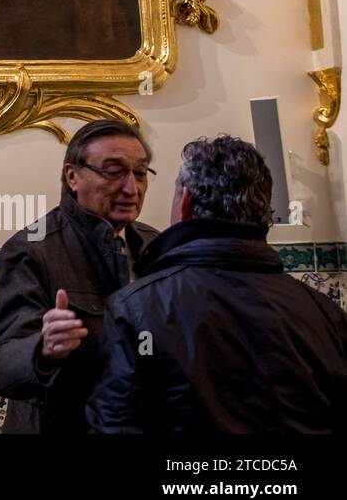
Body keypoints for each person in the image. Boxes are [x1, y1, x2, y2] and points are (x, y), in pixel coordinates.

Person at [88, 135, 347, 433]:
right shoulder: (324, 311)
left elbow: (117, 426)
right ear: (263, 210)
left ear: (185, 203)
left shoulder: (136, 309)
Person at [0, 118, 159, 433]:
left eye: (140, 173)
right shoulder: (31, 249)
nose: (131, 187)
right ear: (72, 176)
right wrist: (43, 349)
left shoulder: (156, 246)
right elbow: (2, 368)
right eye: (113, 171)